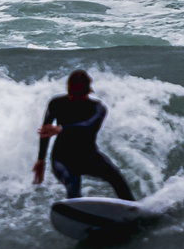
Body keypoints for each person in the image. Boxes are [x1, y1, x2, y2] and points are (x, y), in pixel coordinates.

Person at [32, 70, 134, 201]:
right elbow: (45, 132)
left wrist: (61, 129)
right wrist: (41, 160)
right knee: (72, 184)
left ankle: (133, 209)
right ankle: (75, 215)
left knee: (116, 178)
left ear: (87, 91)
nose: (72, 96)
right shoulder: (56, 104)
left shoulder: (98, 108)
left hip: (89, 157)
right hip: (63, 159)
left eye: (76, 93)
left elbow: (87, 126)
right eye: (70, 92)